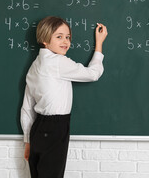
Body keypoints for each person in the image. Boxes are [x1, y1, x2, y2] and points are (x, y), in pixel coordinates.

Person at [20, 16, 108, 178]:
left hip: (37, 129)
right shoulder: (58, 62)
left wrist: (28, 142)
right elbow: (93, 74)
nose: (65, 41)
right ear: (45, 39)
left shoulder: (35, 65)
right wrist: (99, 43)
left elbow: (27, 107)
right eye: (59, 36)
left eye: (67, 37)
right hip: (55, 128)